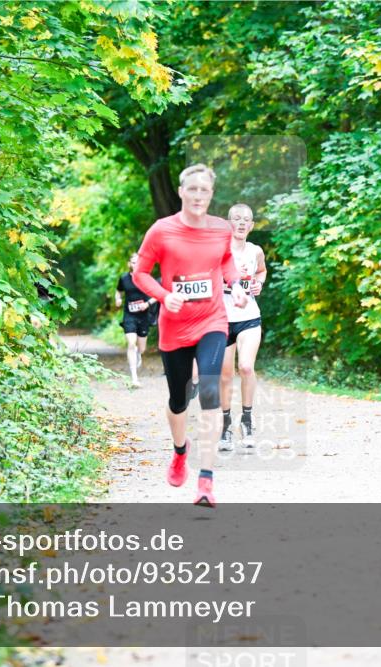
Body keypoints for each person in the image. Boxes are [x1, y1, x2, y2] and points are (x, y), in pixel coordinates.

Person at [132, 164, 248, 507]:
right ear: (181, 192)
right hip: (175, 326)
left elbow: (226, 261)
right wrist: (164, 295)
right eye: (193, 189)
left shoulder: (221, 229)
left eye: (205, 190)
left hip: (212, 320)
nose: (198, 195)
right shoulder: (161, 231)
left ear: (211, 194)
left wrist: (236, 285)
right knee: (178, 401)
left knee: (210, 392)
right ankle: (180, 451)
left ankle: (206, 480)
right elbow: (141, 274)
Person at [218, 203, 267, 451]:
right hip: (222, 318)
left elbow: (262, 271)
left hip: (249, 317)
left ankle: (247, 420)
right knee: (225, 375)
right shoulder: (219, 250)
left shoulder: (255, 250)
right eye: (236, 218)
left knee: (246, 367)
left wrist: (258, 284)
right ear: (229, 223)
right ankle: (226, 425)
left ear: (252, 225)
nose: (241, 223)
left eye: (246, 219)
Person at [114, 252, 157, 387]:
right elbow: (118, 291)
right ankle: (134, 378)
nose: (136, 264)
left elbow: (157, 294)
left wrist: (147, 304)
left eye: (138, 262)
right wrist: (118, 299)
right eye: (134, 262)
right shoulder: (124, 278)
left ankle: (139, 354)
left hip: (143, 316)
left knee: (142, 348)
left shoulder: (147, 278)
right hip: (129, 315)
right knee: (131, 343)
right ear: (129, 264)